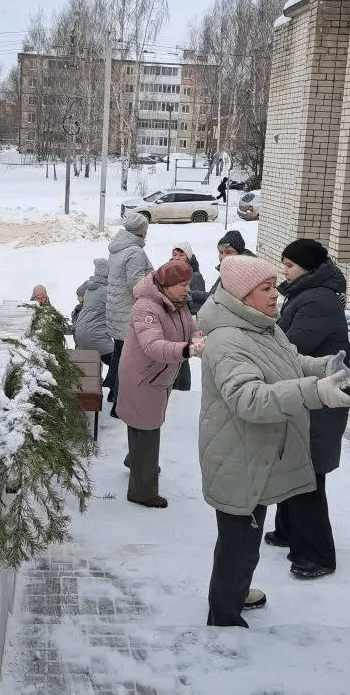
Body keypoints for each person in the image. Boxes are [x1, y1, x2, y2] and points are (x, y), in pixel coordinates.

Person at [198, 255, 350, 627]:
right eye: (266, 288)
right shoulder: (227, 340)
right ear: (241, 295)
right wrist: (314, 392)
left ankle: (236, 592)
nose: (276, 294)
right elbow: (249, 399)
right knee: (237, 545)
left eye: (275, 285)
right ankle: (223, 613)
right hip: (236, 455)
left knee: (248, 540)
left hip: (256, 453)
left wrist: (325, 367)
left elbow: (292, 362)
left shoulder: (263, 327)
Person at [263, 238, 350, 579]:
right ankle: (288, 531)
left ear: (308, 268)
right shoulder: (305, 293)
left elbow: (292, 346)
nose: (284, 269)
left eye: (290, 264)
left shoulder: (317, 300)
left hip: (322, 398)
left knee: (308, 474)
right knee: (293, 463)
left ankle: (318, 555)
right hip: (310, 393)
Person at [117, 259, 201, 509]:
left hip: (158, 375)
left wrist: (197, 337)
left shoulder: (177, 302)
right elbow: (152, 346)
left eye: (188, 284)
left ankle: (139, 461)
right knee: (147, 427)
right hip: (143, 376)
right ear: (166, 285)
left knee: (145, 424)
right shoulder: (146, 307)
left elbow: (189, 328)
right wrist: (188, 350)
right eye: (182, 285)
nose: (187, 290)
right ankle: (142, 492)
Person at [105, 212, 153, 417]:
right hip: (128, 312)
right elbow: (137, 285)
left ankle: (112, 394)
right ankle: (119, 404)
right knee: (127, 360)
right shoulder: (135, 252)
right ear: (141, 231)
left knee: (118, 352)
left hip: (116, 309)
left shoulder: (118, 247)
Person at [170, 241, 206, 391]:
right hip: (171, 322)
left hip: (186, 324)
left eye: (181, 254)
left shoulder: (195, 276)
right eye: (174, 254)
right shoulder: (170, 272)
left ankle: (183, 392)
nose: (177, 257)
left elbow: (199, 304)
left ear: (188, 257)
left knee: (182, 360)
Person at [73, 259, 115, 372]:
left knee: (112, 363)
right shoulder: (106, 291)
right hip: (95, 336)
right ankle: (114, 388)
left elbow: (79, 290)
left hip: (80, 336)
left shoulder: (90, 288)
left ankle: (109, 386)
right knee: (119, 363)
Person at [207, 230, 254, 296]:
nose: (223, 257)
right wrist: (192, 294)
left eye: (228, 252)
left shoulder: (242, 276)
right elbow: (212, 296)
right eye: (221, 252)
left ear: (239, 253)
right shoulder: (228, 271)